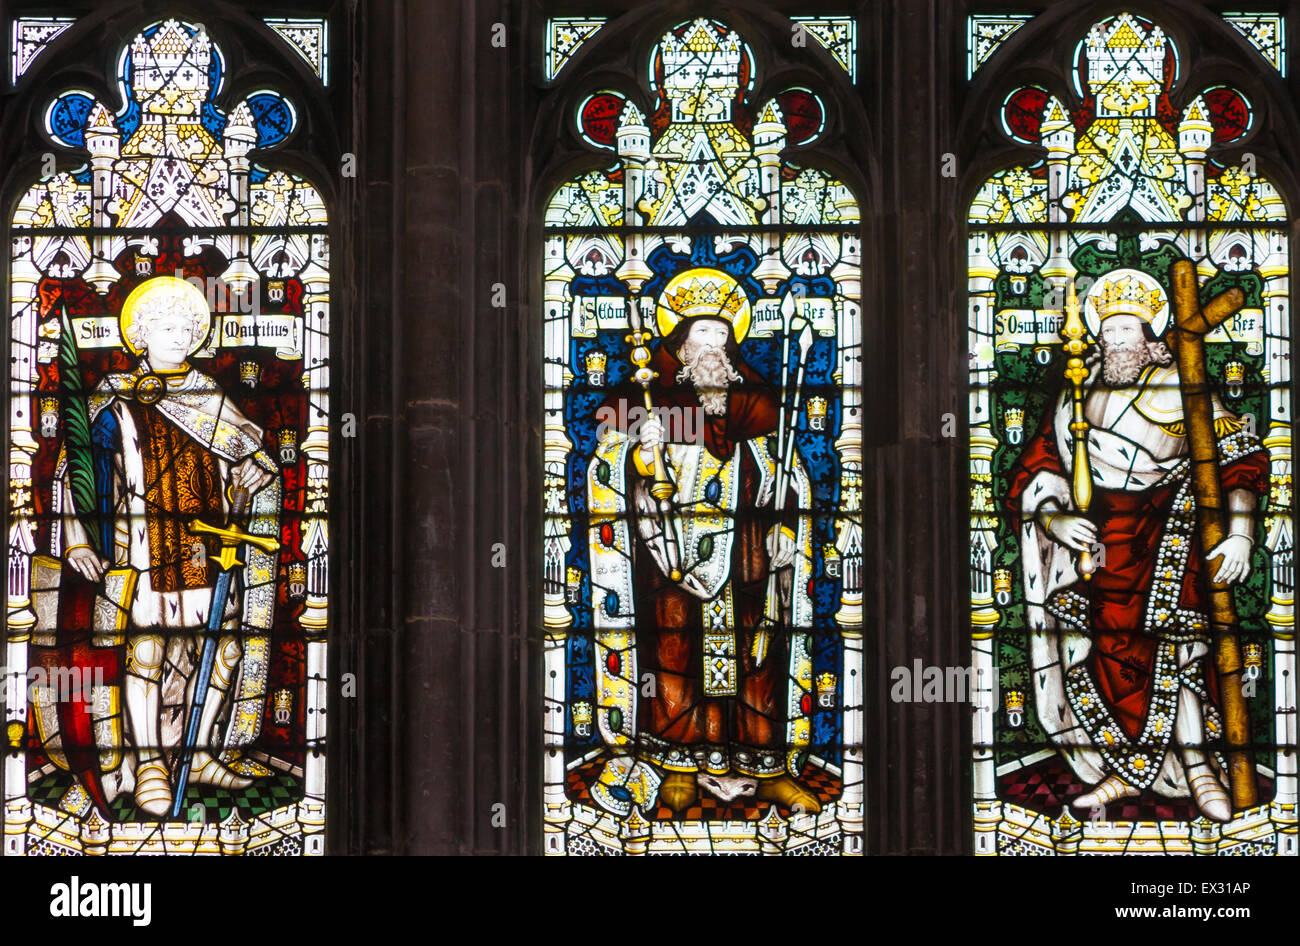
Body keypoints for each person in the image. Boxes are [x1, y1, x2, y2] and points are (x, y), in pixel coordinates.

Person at [1007, 269, 1268, 821]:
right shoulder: (1079, 385)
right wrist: (1053, 522)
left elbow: (1241, 460)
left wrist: (1242, 531)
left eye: (1127, 328)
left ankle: (1197, 770)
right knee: (1098, 655)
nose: (1115, 339)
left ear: (1151, 332)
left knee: (1171, 649)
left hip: (1165, 529)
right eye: (1108, 328)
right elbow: (1042, 465)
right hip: (1099, 539)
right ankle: (1116, 773)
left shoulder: (1181, 383)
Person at [586, 268, 818, 815]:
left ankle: (768, 769)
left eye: (722, 336)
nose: (714, 347)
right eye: (702, 336)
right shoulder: (652, 401)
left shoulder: (757, 405)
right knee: (674, 658)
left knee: (758, 660)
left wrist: (788, 527)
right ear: (681, 347)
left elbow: (787, 474)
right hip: (672, 556)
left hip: (749, 556)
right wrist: (642, 454)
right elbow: (618, 470)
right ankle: (677, 767)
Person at [52, 276, 281, 818]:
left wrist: (253, 471)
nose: (178, 336)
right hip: (144, 547)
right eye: (165, 326)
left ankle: (198, 754)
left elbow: (252, 458)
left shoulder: (209, 397)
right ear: (139, 334)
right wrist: (79, 538)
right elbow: (77, 471)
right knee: (148, 651)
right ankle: (151, 763)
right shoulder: (116, 398)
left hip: (211, 548)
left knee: (222, 650)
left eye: (187, 327)